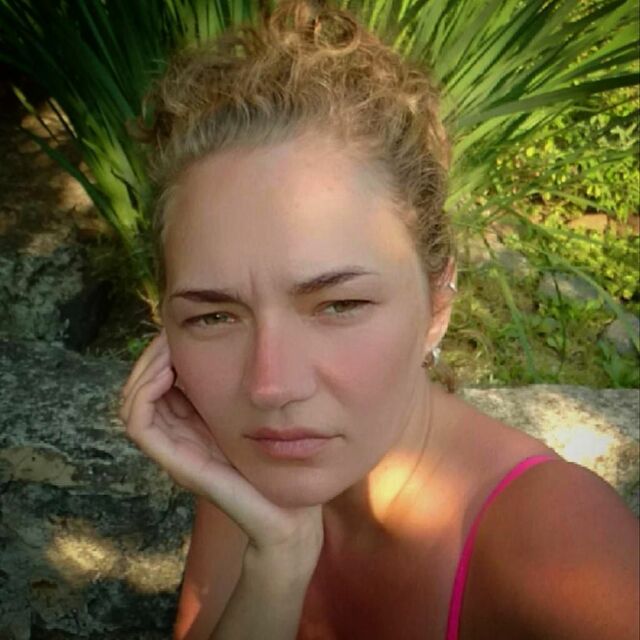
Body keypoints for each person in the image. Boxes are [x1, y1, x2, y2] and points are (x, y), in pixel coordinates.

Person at [118, 2, 639, 638]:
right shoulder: (250, 470)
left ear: (437, 303)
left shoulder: (561, 546)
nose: (270, 386)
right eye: (214, 316)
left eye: (340, 305)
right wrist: (279, 559)